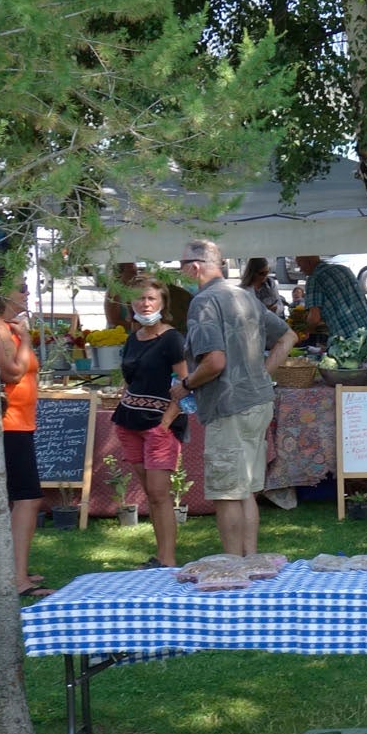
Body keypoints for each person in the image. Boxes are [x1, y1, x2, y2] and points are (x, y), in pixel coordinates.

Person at [179, 240, 295, 557]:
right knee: (245, 492)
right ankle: (250, 563)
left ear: (195, 266)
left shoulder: (203, 302)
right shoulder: (244, 295)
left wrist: (185, 385)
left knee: (228, 493)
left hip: (228, 407)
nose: (181, 273)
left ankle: (233, 566)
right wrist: (262, 374)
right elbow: (288, 336)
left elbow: (214, 363)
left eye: (181, 265)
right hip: (258, 402)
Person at [111, 280, 192, 569]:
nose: (145, 304)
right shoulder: (133, 337)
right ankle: (161, 556)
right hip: (129, 421)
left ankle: (168, 560)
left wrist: (165, 423)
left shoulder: (173, 339)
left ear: (163, 303)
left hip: (160, 425)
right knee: (151, 495)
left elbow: (184, 385)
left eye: (150, 298)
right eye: (139, 299)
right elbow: (130, 379)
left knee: (160, 494)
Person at [0, 276, 49, 599]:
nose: (27, 293)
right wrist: (26, 340)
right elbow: (12, 372)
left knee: (22, 499)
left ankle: (17, 570)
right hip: (8, 424)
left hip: (21, 423)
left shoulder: (8, 328)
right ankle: (17, 579)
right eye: (22, 288)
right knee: (28, 498)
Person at [296, 254, 367, 342]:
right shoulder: (343, 269)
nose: (300, 270)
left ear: (308, 262)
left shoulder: (314, 279)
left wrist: (304, 331)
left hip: (347, 337)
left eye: (300, 265)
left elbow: (314, 318)